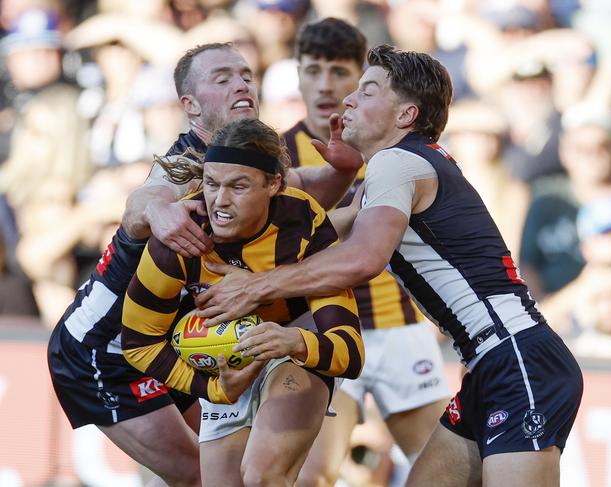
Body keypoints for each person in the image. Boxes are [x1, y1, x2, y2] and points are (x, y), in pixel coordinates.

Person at [196, 45, 584, 486]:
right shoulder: (403, 165)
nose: (348, 100)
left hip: (518, 358)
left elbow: (362, 259)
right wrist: (338, 177)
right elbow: (326, 231)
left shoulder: (397, 163)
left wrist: (255, 287)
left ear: (405, 115)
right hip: (494, 362)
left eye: (368, 91)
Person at [47, 41, 362, 486]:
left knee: (222, 474)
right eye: (223, 78)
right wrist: (160, 213)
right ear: (189, 106)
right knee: (200, 477)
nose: (242, 85)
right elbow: (146, 199)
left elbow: (298, 191)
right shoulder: (182, 167)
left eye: (246, 75)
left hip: (181, 337)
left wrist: (344, 173)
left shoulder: (243, 159)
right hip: (106, 349)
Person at [122, 118, 364, 486]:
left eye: (238, 186)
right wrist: (214, 388)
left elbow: (350, 349)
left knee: (264, 475)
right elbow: (138, 343)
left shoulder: (303, 220)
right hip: (224, 360)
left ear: (274, 184)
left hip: (296, 343)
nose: (219, 201)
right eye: (212, 183)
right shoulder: (179, 239)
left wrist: (295, 341)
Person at [284, 19, 450, 486]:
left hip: (401, 327)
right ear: (297, 74)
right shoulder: (278, 155)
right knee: (314, 474)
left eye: (339, 72)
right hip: (327, 325)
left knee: (438, 472)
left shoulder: (395, 144)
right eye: (312, 70)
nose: (324, 85)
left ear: (362, 80)